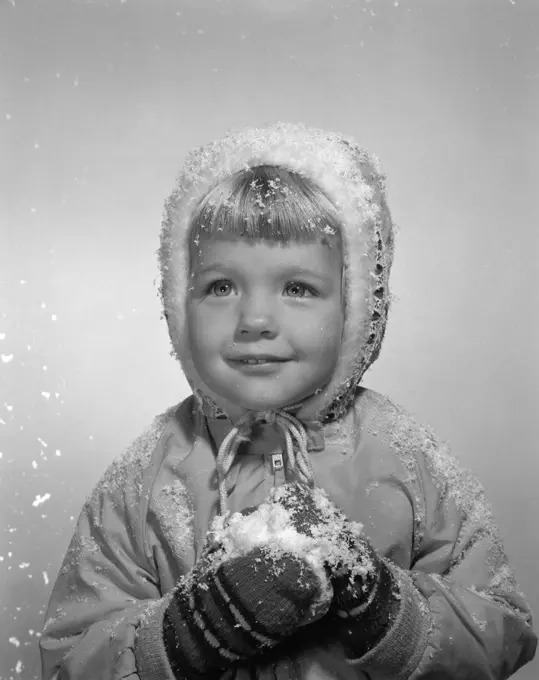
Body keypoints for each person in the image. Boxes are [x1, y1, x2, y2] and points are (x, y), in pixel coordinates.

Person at [39, 122, 537, 680]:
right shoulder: (144, 482)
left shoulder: (408, 461)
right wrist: (190, 632)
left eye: (297, 288)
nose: (254, 320)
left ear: (354, 308)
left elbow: (501, 631)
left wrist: (380, 607)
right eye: (221, 286)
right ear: (179, 301)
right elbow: (70, 656)